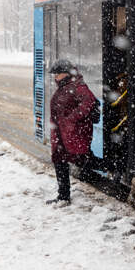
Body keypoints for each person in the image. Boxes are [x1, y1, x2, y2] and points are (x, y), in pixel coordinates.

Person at [47, 59, 99, 205]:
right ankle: (63, 196)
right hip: (62, 134)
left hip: (73, 134)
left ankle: (115, 167)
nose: (55, 77)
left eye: (57, 74)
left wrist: (71, 119)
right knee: (59, 161)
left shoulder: (77, 86)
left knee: (84, 160)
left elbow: (89, 102)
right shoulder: (65, 86)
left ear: (66, 74)